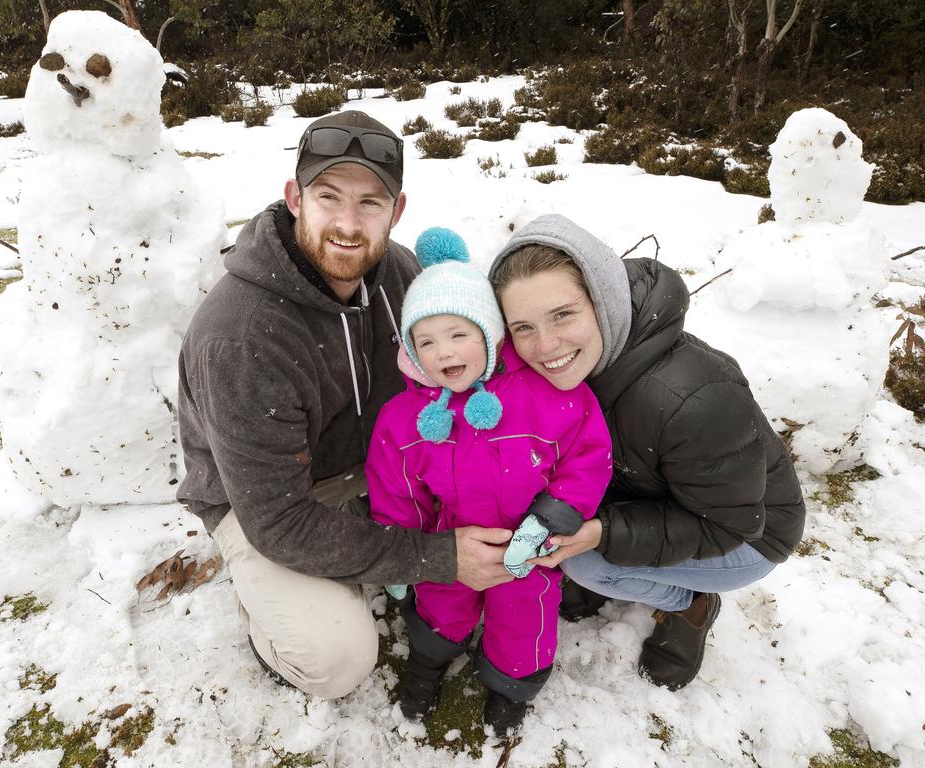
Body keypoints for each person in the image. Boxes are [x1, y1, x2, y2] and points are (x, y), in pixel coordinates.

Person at [176, 111, 514, 699]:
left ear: (397, 211)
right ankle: (272, 621)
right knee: (336, 660)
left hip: (380, 464)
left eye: (371, 203)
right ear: (295, 198)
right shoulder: (242, 336)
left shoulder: (402, 273)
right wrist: (437, 557)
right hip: (271, 500)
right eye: (329, 196)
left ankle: (362, 550)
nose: (348, 224)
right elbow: (279, 522)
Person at [488, 214, 806, 691]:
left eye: (563, 315)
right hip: (652, 490)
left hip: (748, 533)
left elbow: (731, 523)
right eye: (523, 328)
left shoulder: (689, 399)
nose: (545, 345)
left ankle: (690, 605)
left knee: (585, 562)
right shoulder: (578, 361)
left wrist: (601, 533)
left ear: (603, 300)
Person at [366, 228, 612, 734]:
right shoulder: (403, 418)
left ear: (489, 334)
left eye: (459, 334)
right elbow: (397, 487)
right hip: (450, 538)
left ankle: (511, 687)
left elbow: (587, 456)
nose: (444, 352)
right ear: (411, 352)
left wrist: (555, 516)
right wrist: (402, 549)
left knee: (525, 617)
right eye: (426, 341)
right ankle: (428, 663)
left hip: (528, 540)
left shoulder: (544, 393)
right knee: (440, 604)